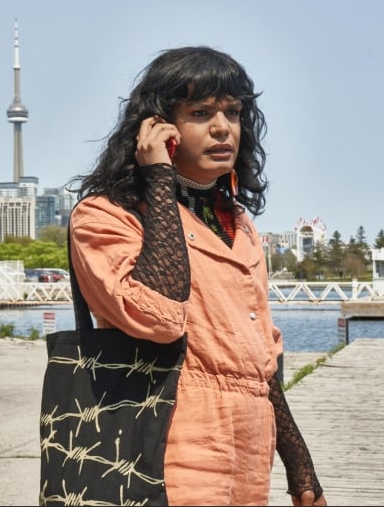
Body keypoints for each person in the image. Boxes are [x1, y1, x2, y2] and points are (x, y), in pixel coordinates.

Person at [67, 46, 327, 506]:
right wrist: (159, 179)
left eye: (233, 112)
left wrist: (301, 471)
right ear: (158, 126)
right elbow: (157, 317)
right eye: (200, 112)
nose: (222, 127)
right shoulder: (106, 216)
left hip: (250, 450)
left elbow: (261, 362)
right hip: (165, 444)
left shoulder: (240, 223)